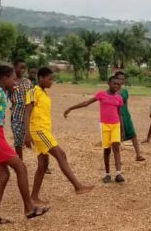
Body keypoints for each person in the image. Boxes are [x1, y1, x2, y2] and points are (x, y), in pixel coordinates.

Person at [0, 65, 48, 226]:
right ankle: (29, 208)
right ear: (4, 79)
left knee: (4, 175)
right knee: (21, 167)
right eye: (12, 78)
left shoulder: (1, 92)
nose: (15, 81)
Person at [25, 67, 94, 203]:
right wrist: (26, 134)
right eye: (49, 79)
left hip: (44, 130)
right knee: (60, 154)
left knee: (43, 164)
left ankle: (34, 196)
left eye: (53, 79)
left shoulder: (44, 93)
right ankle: (77, 186)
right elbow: (27, 112)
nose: (52, 82)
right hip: (38, 131)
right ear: (41, 78)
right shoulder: (33, 92)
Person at [64, 76, 125, 183]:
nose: (116, 86)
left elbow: (120, 114)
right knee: (107, 150)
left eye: (118, 84)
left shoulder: (119, 98)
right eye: (114, 83)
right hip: (105, 125)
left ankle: (119, 174)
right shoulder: (101, 94)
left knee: (116, 146)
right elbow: (87, 103)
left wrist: (122, 129)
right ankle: (107, 174)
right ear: (108, 83)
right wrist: (71, 108)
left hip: (116, 125)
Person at [114, 71, 146, 162]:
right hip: (116, 116)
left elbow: (125, 104)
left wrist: (127, 115)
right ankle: (117, 158)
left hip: (125, 115)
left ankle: (138, 155)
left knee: (133, 134)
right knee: (118, 137)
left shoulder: (125, 92)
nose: (121, 81)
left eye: (123, 79)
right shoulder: (113, 92)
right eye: (119, 78)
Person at [10, 60, 33, 159]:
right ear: (15, 68)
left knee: (35, 139)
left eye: (24, 68)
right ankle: (20, 162)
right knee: (18, 141)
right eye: (21, 67)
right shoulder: (10, 83)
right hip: (16, 116)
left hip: (30, 115)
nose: (23, 70)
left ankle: (44, 164)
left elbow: (33, 99)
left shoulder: (28, 82)